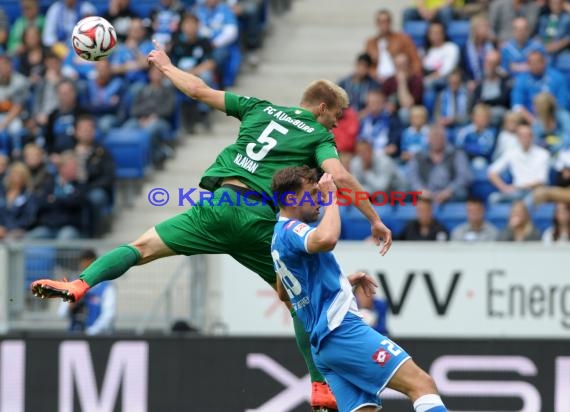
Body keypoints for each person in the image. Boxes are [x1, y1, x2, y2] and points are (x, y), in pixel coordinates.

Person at [31, 39, 393, 411]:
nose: (338, 122)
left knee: (140, 248)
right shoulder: (319, 135)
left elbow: (200, 91)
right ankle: (319, 385)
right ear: (322, 107)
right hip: (259, 221)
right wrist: (375, 219)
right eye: (337, 115)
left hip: (218, 206)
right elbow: (340, 176)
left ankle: (79, 283)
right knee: (300, 302)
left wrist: (166, 66)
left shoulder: (258, 107)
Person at [270, 166, 449, 412]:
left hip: (324, 347)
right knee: (421, 384)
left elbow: (284, 292)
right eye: (312, 193)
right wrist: (332, 196)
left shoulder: (276, 239)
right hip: (341, 330)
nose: (319, 199)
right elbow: (328, 239)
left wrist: (342, 282)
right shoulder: (293, 229)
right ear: (290, 199)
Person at [58, 249, 117, 335]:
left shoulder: (107, 287)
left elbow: (109, 315)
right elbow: (62, 313)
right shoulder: (73, 285)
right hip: (76, 335)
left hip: (99, 338)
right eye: (84, 266)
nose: (87, 270)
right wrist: (71, 305)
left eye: (90, 266)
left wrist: (91, 332)